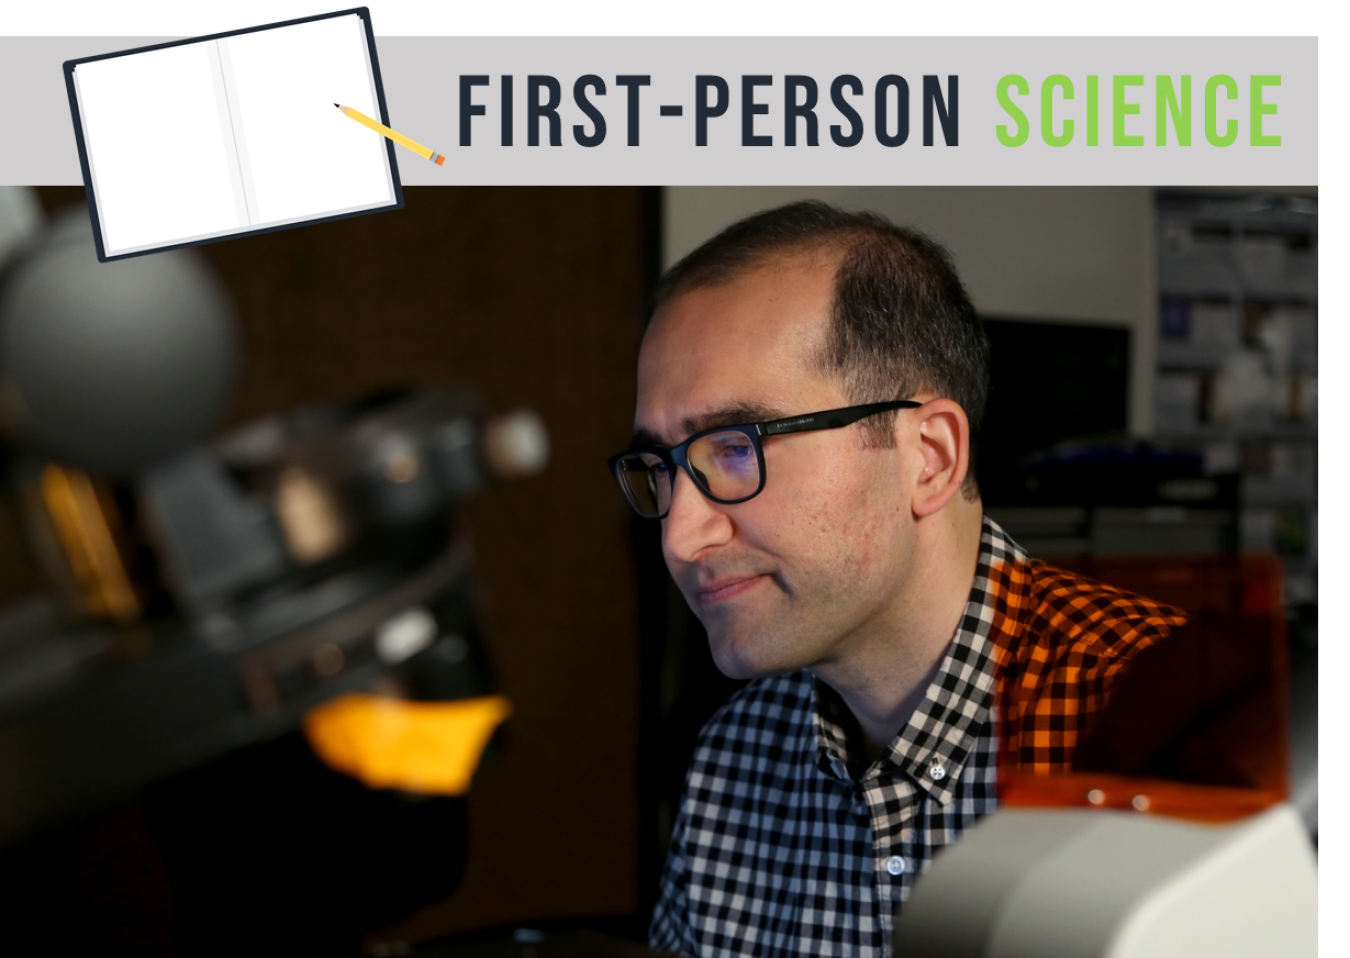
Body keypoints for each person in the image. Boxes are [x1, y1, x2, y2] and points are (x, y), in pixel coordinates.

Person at [607, 201, 1188, 957]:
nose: (680, 536)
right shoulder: (734, 757)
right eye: (662, 469)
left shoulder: (1171, 733)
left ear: (931, 457)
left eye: (737, 449)